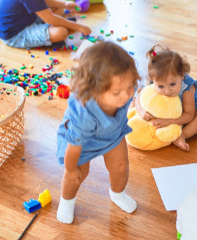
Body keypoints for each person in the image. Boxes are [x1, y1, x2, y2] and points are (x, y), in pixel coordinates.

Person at [55, 42, 140, 224]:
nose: (126, 95)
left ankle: (118, 194)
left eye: (130, 87)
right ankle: (67, 201)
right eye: (117, 92)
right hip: (82, 142)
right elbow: (74, 145)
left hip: (113, 134)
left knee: (120, 167)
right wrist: (70, 170)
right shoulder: (85, 112)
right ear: (94, 91)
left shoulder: (122, 87)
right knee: (78, 175)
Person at [132, 45, 197, 151]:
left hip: (187, 117)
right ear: (152, 80)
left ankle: (181, 136)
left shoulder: (187, 86)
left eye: (172, 84)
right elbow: (139, 97)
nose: (167, 91)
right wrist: (141, 112)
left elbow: (189, 115)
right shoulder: (152, 82)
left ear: (182, 76)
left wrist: (168, 121)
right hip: (164, 115)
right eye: (161, 86)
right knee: (134, 100)